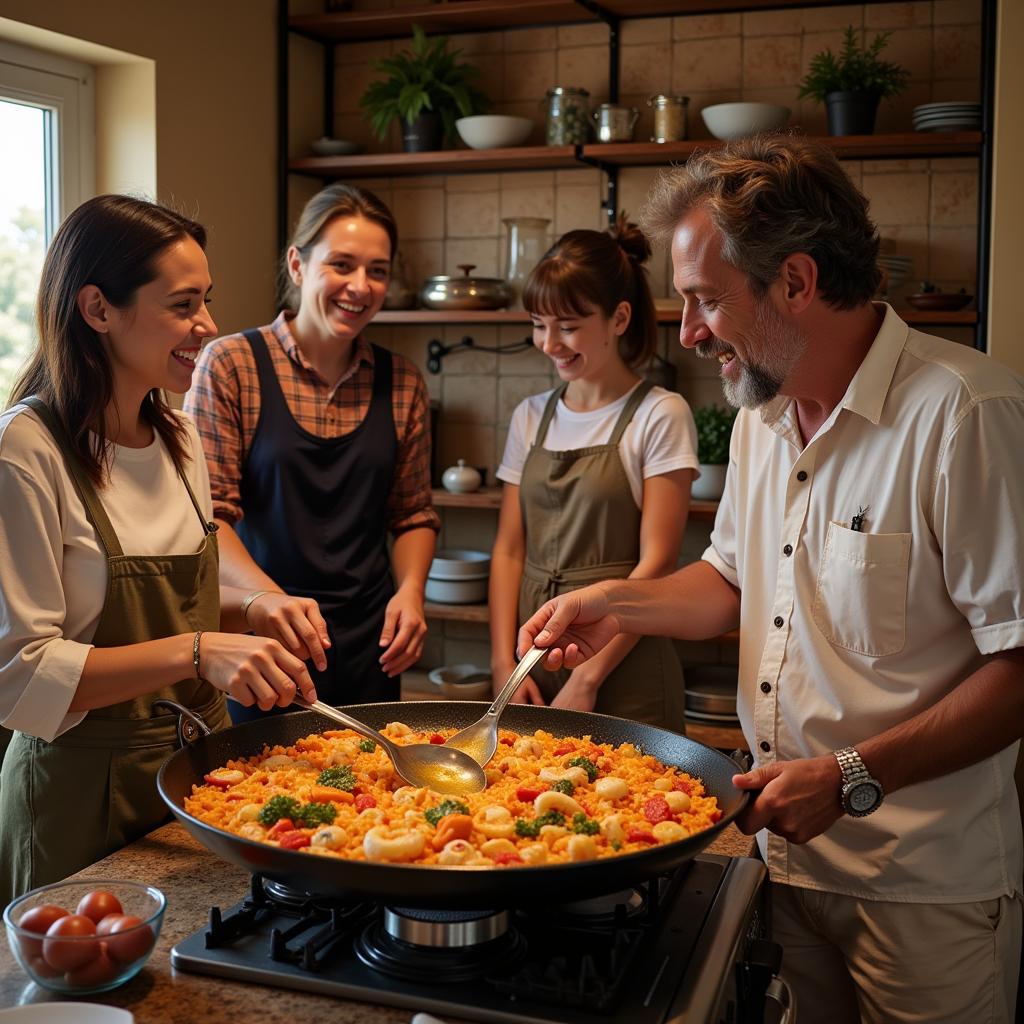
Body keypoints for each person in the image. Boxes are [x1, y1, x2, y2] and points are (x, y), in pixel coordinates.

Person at [516, 136, 1024, 1022]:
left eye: (706, 300)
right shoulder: (762, 410)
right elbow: (733, 585)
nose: (687, 332)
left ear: (795, 281)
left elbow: (1020, 668)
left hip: (921, 887)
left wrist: (852, 774)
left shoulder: (964, 414)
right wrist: (613, 601)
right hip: (778, 857)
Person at [0, 195, 318, 907]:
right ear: (98, 309)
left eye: (206, 301)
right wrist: (199, 651)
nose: (206, 326)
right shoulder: (25, 450)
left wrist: (258, 610)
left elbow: (188, 609)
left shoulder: (177, 438)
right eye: (182, 305)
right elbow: (19, 675)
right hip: (79, 799)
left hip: (197, 779)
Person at [185, 184, 439, 722]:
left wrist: (411, 593)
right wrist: (272, 605)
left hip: (372, 640)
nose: (360, 286)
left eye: (377, 270)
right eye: (342, 265)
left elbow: (413, 513)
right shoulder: (231, 365)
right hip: (265, 639)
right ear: (298, 265)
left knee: (379, 798)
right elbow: (211, 516)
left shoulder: (403, 382)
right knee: (263, 794)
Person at [490, 217, 697, 729]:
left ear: (619, 318)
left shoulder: (660, 413)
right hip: (534, 658)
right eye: (539, 324)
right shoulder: (530, 415)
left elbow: (659, 564)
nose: (549, 343)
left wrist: (588, 678)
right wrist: (502, 662)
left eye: (568, 326)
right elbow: (510, 549)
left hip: (624, 663)